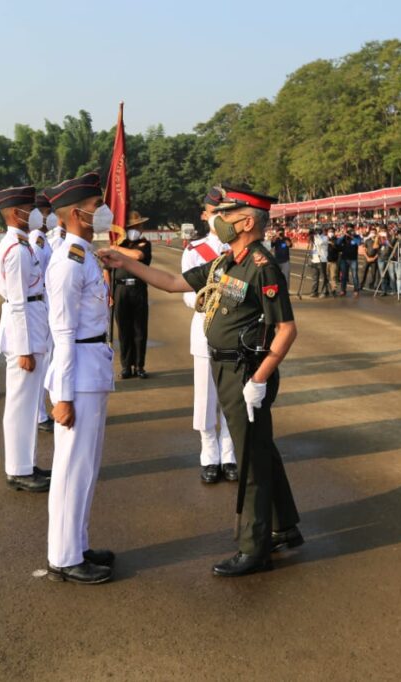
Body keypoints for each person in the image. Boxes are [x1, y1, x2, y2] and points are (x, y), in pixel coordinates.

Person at [98, 184, 301, 578]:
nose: (217, 220)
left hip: (246, 372)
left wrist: (259, 379)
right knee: (261, 450)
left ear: (246, 221)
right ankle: (285, 524)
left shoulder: (262, 266)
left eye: (225, 214)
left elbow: (287, 330)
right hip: (225, 368)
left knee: (251, 463)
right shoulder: (227, 262)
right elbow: (175, 283)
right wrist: (126, 263)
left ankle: (253, 547)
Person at [43, 172, 117, 584]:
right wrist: (63, 395)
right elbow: (64, 333)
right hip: (79, 372)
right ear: (76, 213)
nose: (102, 211)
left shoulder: (84, 253)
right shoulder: (68, 262)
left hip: (93, 364)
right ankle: (65, 556)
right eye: (95, 205)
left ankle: (78, 542)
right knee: (72, 467)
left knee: (85, 467)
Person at [0, 186, 52, 493]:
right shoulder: (15, 250)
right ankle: (17, 469)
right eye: (31, 208)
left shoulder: (22, 243)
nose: (37, 213)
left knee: (29, 404)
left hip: (33, 322)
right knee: (20, 404)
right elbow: (17, 302)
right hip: (23, 332)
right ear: (17, 213)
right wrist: (25, 349)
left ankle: (27, 463)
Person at [182, 187, 237, 484]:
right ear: (205, 216)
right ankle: (208, 455)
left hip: (234, 331)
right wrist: (203, 299)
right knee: (205, 396)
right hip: (205, 328)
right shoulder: (195, 251)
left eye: (225, 212)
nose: (221, 218)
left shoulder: (240, 248)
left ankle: (229, 454)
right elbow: (186, 292)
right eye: (216, 213)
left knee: (231, 394)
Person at [112, 211, 153, 379]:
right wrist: (108, 292)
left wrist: (116, 249)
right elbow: (107, 270)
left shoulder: (143, 244)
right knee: (124, 330)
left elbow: (137, 256)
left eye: (138, 226)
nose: (136, 229)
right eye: (133, 227)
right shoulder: (120, 242)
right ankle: (126, 366)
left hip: (138, 289)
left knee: (139, 330)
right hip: (120, 289)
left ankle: (140, 365)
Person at [32, 189, 56, 432]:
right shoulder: (36, 242)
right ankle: (39, 414)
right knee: (44, 358)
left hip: (46, 300)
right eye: (46, 213)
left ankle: (43, 409)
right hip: (42, 302)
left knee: (49, 357)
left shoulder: (42, 239)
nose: (50, 218)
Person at [337, 226, 362, 297]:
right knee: (344, 276)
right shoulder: (344, 237)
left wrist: (352, 236)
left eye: (351, 229)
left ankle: (356, 290)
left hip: (353, 259)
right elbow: (338, 242)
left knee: (354, 275)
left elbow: (359, 242)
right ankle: (343, 290)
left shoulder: (357, 236)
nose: (350, 230)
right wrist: (344, 235)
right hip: (344, 259)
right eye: (348, 229)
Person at [309, 228, 331, 297]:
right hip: (314, 260)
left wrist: (317, 236)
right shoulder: (313, 238)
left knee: (323, 277)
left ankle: (324, 292)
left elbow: (320, 243)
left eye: (317, 231)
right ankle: (314, 292)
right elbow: (312, 248)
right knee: (315, 278)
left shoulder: (325, 238)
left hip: (322, 260)